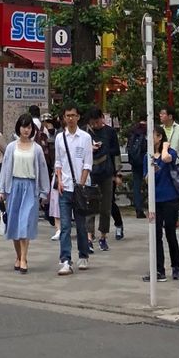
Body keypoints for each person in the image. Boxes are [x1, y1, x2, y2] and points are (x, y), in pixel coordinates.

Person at [0, 113, 50, 274]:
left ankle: (23, 258)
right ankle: (18, 255)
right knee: (14, 223)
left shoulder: (37, 149)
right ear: (18, 128)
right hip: (14, 186)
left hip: (30, 187)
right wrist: (3, 190)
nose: (26, 130)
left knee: (25, 222)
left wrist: (44, 192)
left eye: (28, 127)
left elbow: (42, 171)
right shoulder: (11, 147)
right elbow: (5, 169)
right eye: (23, 127)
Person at [54, 103, 93, 276]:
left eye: (73, 115)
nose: (70, 118)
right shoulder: (59, 138)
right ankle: (65, 260)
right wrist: (59, 180)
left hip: (80, 188)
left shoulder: (85, 137)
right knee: (64, 227)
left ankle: (83, 255)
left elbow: (87, 163)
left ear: (78, 117)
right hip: (65, 187)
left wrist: (82, 184)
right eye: (67, 115)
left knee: (81, 225)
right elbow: (58, 162)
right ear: (64, 117)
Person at [145, 127, 179, 281]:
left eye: (151, 135)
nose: (149, 138)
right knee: (156, 235)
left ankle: (176, 267)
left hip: (170, 199)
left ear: (159, 137)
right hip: (155, 200)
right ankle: (159, 270)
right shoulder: (147, 156)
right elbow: (146, 178)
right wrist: (151, 169)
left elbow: (167, 159)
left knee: (170, 233)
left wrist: (165, 146)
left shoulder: (170, 152)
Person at [84, 108, 124, 249]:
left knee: (106, 207)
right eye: (92, 122)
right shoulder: (86, 133)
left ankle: (103, 236)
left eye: (97, 121)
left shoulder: (110, 132)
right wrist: (90, 148)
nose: (95, 125)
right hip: (90, 173)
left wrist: (117, 174)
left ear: (102, 118)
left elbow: (116, 153)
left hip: (107, 173)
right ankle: (89, 237)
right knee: (90, 206)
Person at [126, 116, 148, 217]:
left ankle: (138, 209)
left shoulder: (134, 131)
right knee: (152, 184)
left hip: (135, 163)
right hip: (146, 161)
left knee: (136, 186)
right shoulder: (147, 130)